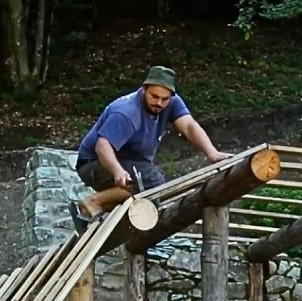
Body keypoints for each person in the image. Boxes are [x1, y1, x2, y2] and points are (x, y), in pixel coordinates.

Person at [71, 65, 232, 232]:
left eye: (165, 99)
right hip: (94, 163)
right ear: (143, 89)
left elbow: (190, 127)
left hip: (127, 162)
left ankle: (93, 211)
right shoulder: (126, 113)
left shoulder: (171, 103)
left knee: (151, 201)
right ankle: (93, 202)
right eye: (154, 96)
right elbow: (102, 147)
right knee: (152, 182)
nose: (159, 103)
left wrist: (212, 154)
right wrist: (117, 171)